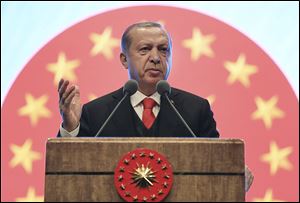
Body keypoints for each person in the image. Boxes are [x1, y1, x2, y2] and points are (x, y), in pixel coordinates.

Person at [57, 21, 253, 191]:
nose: (156, 57)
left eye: (163, 49)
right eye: (145, 49)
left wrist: (233, 176)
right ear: (124, 60)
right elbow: (66, 173)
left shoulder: (195, 109)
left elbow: (215, 165)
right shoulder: (97, 112)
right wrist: (70, 128)